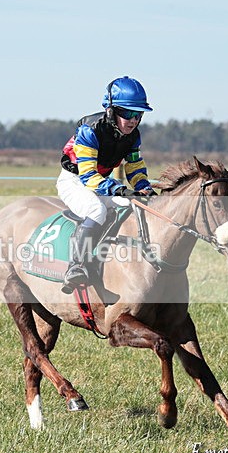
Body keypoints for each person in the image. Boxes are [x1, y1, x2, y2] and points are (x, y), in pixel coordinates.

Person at [56, 76, 155, 293]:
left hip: (102, 182)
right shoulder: (89, 129)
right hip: (74, 181)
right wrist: (117, 188)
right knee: (96, 209)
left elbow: (135, 167)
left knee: (129, 206)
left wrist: (144, 186)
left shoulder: (133, 136)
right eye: (127, 113)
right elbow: (88, 177)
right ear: (110, 111)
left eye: (138, 115)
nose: (133, 120)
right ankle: (76, 266)